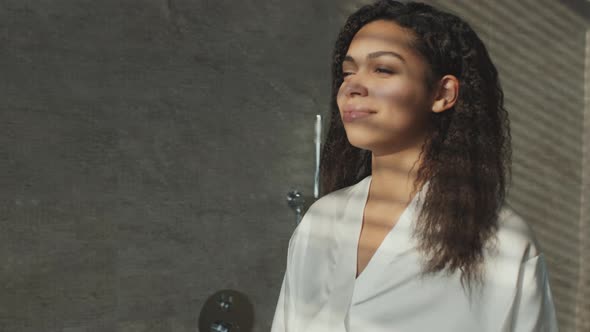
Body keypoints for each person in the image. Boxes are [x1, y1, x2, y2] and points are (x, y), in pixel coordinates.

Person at [270, 1, 558, 331]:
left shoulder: (502, 244)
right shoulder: (320, 221)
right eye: (348, 72)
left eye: (383, 69)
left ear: (442, 93)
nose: (352, 86)